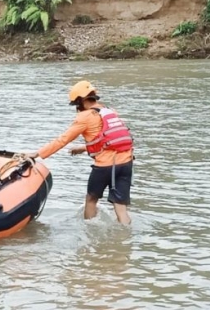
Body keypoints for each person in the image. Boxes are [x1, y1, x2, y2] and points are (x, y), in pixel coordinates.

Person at [25, 81, 134, 225]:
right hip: (126, 162)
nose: (77, 109)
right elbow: (111, 139)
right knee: (120, 207)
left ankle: (89, 231)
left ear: (81, 101)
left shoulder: (84, 117)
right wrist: (84, 148)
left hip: (105, 166)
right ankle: (125, 240)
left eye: (76, 105)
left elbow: (62, 140)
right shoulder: (110, 112)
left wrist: (38, 153)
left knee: (91, 199)